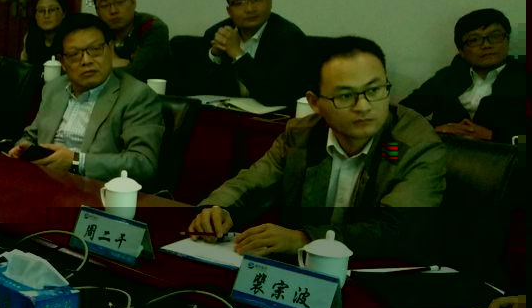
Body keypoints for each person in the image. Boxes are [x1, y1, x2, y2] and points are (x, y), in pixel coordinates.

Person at [189, 36, 445, 259]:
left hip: (382, 273)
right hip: (306, 273)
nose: (364, 106)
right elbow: (253, 183)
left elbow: (398, 230)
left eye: (375, 90)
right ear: (314, 102)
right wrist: (219, 209)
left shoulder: (416, 145)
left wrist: (306, 239)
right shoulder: (300, 135)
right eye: (345, 96)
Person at [5, 13, 164, 184]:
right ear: (62, 62)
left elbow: (143, 164)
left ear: (110, 49)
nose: (86, 60)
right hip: (43, 181)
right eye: (74, 54)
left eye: (95, 50)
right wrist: (23, 148)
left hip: (93, 190)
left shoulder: (137, 96)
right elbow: (31, 135)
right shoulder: (54, 88)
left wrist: (76, 162)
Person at [402, 8, 526, 144]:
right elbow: (402, 114)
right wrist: (437, 130)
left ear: (507, 40)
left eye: (495, 36)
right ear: (461, 51)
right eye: (474, 40)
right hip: (444, 152)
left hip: (505, 155)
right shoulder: (447, 77)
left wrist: (493, 136)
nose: (486, 45)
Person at [199, 0, 308, 108]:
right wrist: (214, 55)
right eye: (239, 3)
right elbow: (194, 88)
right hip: (226, 116)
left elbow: (276, 95)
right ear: (229, 11)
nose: (250, 9)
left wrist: (237, 54)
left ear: (270, 1)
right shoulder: (217, 34)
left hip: (275, 118)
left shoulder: (290, 38)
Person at [89, 0, 171, 83]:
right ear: (97, 11)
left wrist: (104, 67)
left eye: (119, 2)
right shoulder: (95, 32)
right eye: (104, 5)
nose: (113, 11)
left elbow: (137, 73)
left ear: (133, 1)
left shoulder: (153, 28)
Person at [20, 0, 69, 67]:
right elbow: (24, 65)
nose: (46, 15)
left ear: (63, 13)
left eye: (52, 10)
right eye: (41, 11)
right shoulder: (30, 37)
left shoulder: (72, 38)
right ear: (35, 16)